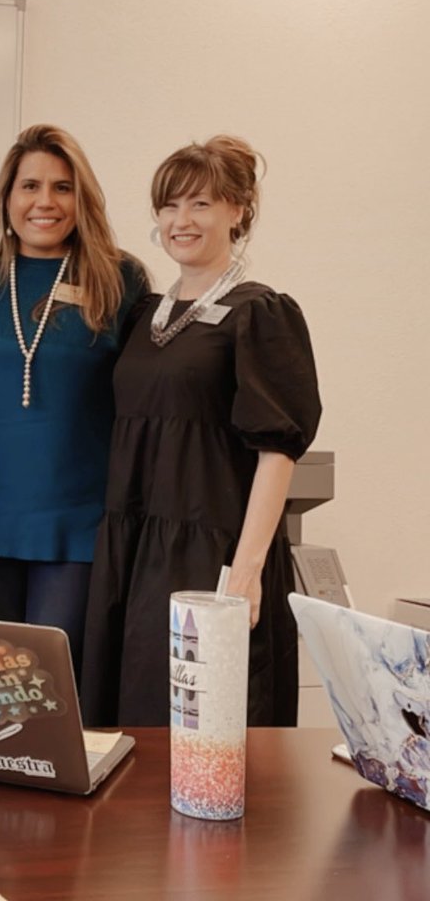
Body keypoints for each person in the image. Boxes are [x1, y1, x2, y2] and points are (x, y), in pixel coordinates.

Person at [81, 135, 322, 727]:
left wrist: (244, 573)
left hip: (208, 554)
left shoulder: (259, 313)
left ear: (238, 210)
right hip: (134, 551)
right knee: (127, 724)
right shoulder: (145, 314)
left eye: (200, 205)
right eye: (169, 206)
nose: (180, 221)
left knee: (201, 736)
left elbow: (277, 451)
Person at [0, 124, 147, 680]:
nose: (45, 202)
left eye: (62, 188)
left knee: (44, 687)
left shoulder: (120, 277)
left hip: (76, 526)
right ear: (7, 197)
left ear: (81, 198)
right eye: (30, 186)